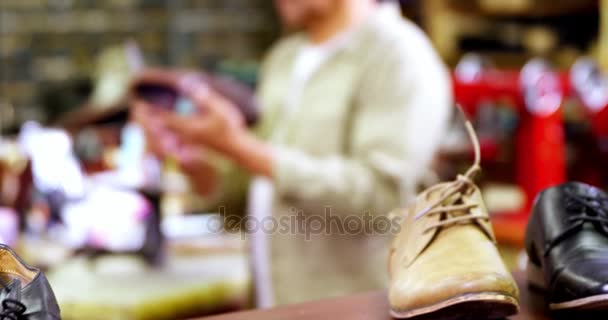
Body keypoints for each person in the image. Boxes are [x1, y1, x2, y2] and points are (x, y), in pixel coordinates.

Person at [133, 0, 452, 307]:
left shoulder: (398, 55)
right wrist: (192, 160)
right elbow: (250, 193)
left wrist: (239, 146)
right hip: (276, 302)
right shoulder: (284, 57)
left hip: (354, 307)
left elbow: (382, 199)